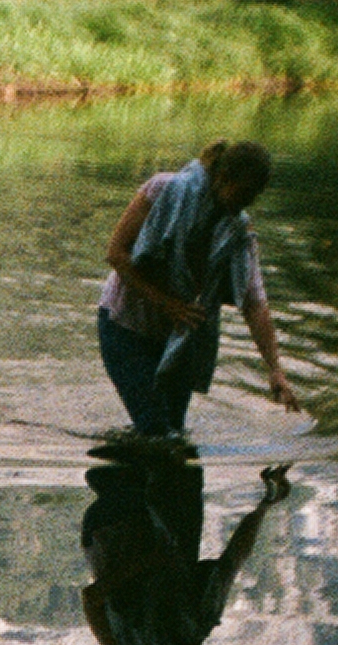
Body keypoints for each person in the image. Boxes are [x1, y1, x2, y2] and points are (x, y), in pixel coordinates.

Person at [96, 140, 303, 442]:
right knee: (156, 432)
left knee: (174, 433)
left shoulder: (237, 232)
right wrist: (168, 304)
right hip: (125, 326)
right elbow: (116, 253)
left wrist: (275, 371)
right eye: (244, 192)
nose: (247, 203)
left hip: (178, 339)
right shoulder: (164, 189)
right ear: (223, 178)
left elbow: (255, 305)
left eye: (254, 196)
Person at [80, 454, 290, 645]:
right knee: (180, 462)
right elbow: (234, 558)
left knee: (157, 454)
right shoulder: (201, 620)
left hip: (112, 527)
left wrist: (147, 561)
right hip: (152, 518)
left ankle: (127, 470)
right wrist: (265, 505)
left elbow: (91, 597)